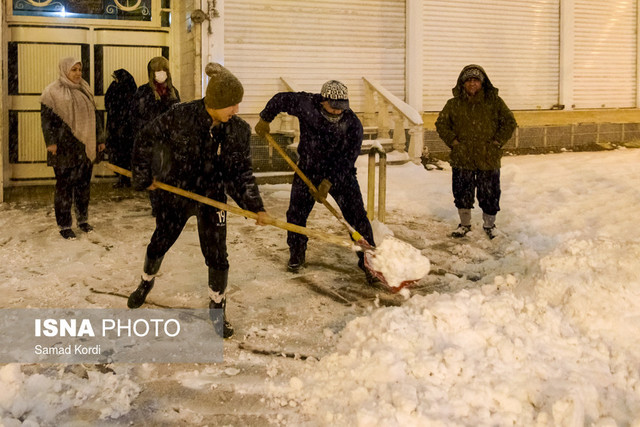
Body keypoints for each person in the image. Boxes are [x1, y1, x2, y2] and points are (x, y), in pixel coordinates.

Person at [127, 62, 270, 339]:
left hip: (213, 197)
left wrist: (256, 206)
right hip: (176, 191)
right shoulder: (181, 115)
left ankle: (217, 308)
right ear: (215, 102)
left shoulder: (237, 130)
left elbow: (241, 173)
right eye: (232, 104)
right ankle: (146, 281)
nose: (237, 110)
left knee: (217, 255)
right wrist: (144, 175)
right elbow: (145, 137)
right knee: (160, 241)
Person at [254, 80, 377, 283]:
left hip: (341, 173)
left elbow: (348, 157)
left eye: (342, 108)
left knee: (356, 216)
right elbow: (280, 99)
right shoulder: (306, 104)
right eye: (334, 107)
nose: (338, 112)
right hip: (308, 170)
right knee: (296, 213)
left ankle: (369, 260)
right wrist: (265, 119)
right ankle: (297, 253)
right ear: (323, 101)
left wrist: (329, 182)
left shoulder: (353, 123)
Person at [435, 64, 517, 239]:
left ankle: (490, 225)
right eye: (468, 80)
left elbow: (509, 122)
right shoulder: (453, 104)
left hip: (488, 157)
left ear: (482, 82)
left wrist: (497, 142)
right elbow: (441, 124)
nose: (472, 84)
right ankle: (464, 224)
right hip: (462, 156)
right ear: (463, 83)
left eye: (476, 80)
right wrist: (454, 142)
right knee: (462, 191)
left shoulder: (494, 102)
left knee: (490, 192)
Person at [40, 57, 105, 240]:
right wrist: (50, 142)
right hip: (63, 147)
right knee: (64, 187)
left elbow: (95, 116)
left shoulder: (85, 89)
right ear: (64, 70)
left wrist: (100, 138)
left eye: (79, 69)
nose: (77, 73)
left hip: (84, 146)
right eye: (73, 70)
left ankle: (83, 221)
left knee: (84, 185)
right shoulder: (52, 92)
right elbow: (46, 122)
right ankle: (64, 225)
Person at [131, 57, 181, 215]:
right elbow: (137, 117)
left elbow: (178, 116)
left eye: (164, 70)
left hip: (169, 141)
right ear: (151, 73)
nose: (161, 73)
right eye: (158, 70)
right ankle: (157, 207)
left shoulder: (173, 92)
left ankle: (169, 204)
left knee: (169, 173)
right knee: (154, 174)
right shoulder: (143, 92)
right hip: (152, 141)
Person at [105, 68, 137, 188]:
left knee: (124, 154)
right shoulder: (117, 87)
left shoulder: (126, 89)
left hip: (125, 129)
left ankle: (126, 179)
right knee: (119, 153)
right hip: (118, 128)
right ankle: (123, 179)